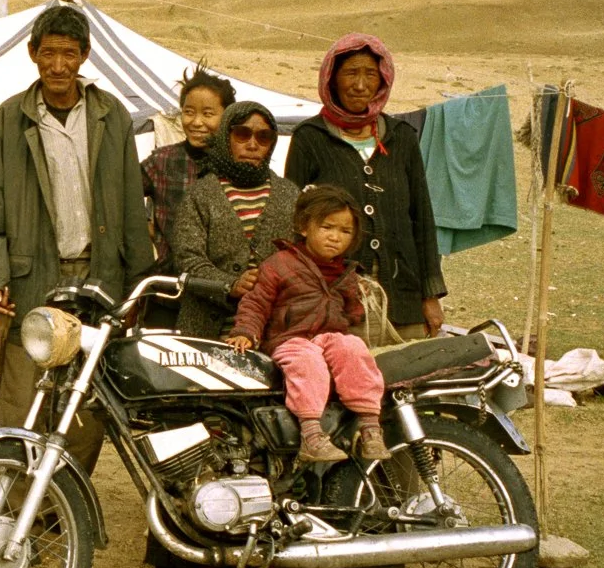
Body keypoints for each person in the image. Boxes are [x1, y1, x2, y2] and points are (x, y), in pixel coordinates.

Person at [0, 3, 152, 475]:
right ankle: (12, 507)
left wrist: (135, 283)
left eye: (68, 54)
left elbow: (133, 205)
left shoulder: (111, 116)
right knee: (22, 399)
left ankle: (64, 505)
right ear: (32, 54)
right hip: (34, 280)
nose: (57, 66)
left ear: (85, 55)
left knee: (85, 405)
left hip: (98, 278)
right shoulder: (10, 119)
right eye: (48, 53)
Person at [281, 33, 446, 337]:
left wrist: (430, 294)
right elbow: (292, 219)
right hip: (335, 298)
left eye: (370, 74)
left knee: (409, 376)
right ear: (331, 78)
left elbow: (422, 218)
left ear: (383, 79)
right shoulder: (310, 138)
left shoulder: (402, 137)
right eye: (350, 73)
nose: (360, 85)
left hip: (404, 298)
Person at [224, 184, 391, 466]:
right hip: (289, 340)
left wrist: (352, 313)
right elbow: (256, 303)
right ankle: (311, 434)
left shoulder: (346, 273)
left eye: (345, 231)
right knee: (306, 359)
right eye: (327, 227)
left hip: (329, 338)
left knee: (352, 346)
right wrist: (245, 333)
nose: (335, 237)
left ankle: (370, 425)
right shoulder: (279, 264)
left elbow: (352, 313)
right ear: (304, 227)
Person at [170, 101, 298, 338]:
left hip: (273, 333)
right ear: (225, 137)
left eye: (263, 137)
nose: (252, 144)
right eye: (242, 134)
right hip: (206, 330)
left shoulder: (290, 194)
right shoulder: (200, 194)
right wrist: (230, 284)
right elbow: (187, 259)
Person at [141, 64, 236, 277]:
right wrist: (146, 227)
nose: (196, 122)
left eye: (208, 114)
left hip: (223, 284)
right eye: (189, 112)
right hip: (171, 281)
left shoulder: (237, 167)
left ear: (227, 116)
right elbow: (123, 197)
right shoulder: (163, 161)